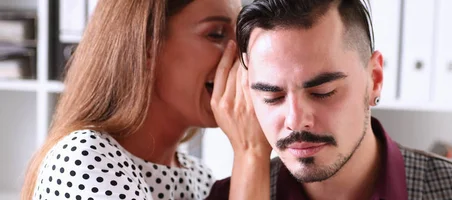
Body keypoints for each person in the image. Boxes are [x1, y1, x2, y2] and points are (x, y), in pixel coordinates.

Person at [207, 0, 452, 199]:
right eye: (272, 96)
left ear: (375, 79)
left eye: (322, 92)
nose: (296, 120)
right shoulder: (228, 195)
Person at [21, 0, 271, 199]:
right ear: (147, 48)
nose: (242, 58)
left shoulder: (200, 178)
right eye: (216, 34)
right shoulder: (83, 160)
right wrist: (251, 152)